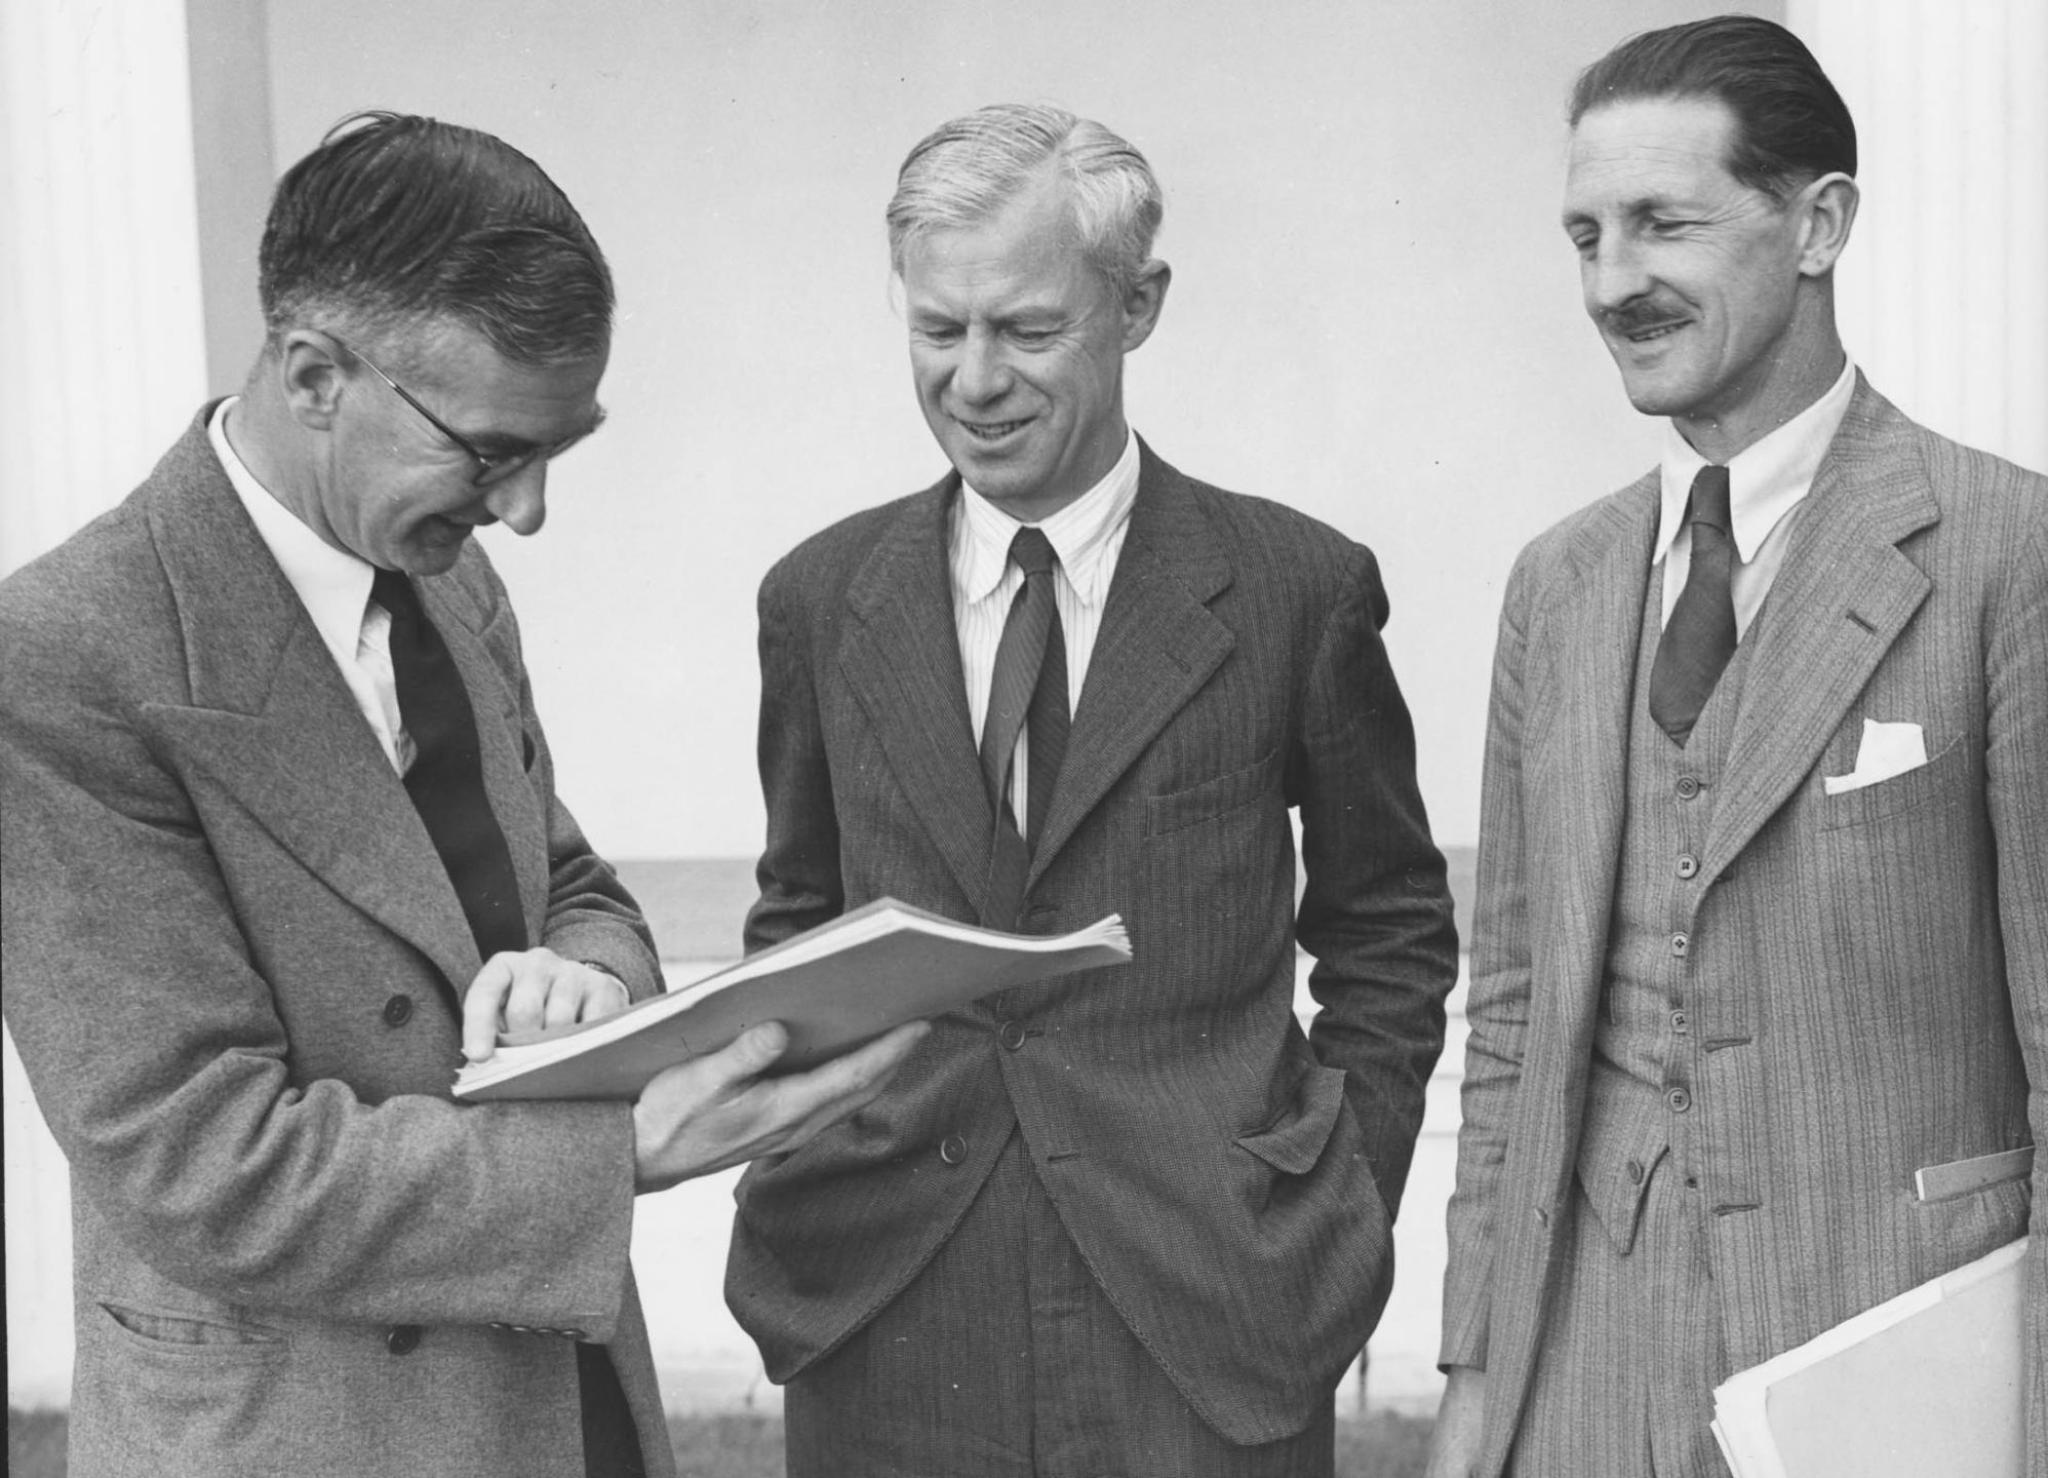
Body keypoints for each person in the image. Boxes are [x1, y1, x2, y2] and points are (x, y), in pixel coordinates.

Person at [0, 112, 921, 1478]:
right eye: (492, 451)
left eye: (561, 448)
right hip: (297, 1431)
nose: (531, 511)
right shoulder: (68, 657)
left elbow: (578, 888)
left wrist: (581, 979)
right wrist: (623, 1152)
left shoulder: (449, 577)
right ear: (314, 372)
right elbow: (213, 1167)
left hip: (551, 1387)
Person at [725, 102, 1459, 1477]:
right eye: (938, 331)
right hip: (887, 1297)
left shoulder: (1299, 589)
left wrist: (1335, 1200)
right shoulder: (821, 600)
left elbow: (1391, 928)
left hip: (1211, 1300)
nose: (976, 379)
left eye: (1027, 329)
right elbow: (800, 913)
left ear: (1140, 305)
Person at [1427, 17, 2046, 1478]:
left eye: (1662, 224)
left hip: (1892, 1375)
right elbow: (1511, 1022)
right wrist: (1473, 1385)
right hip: (1583, 1382)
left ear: (1819, 222)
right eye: (1585, 233)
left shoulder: (2008, 554)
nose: (1609, 282)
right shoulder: (1558, 585)